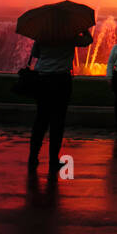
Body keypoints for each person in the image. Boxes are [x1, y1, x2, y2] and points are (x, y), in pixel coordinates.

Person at [27, 37, 76, 172]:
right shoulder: (69, 35)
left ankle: (33, 157)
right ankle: (53, 159)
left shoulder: (43, 35)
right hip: (62, 80)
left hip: (43, 79)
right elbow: (87, 41)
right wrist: (83, 30)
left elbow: (35, 54)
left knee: (41, 119)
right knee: (58, 122)